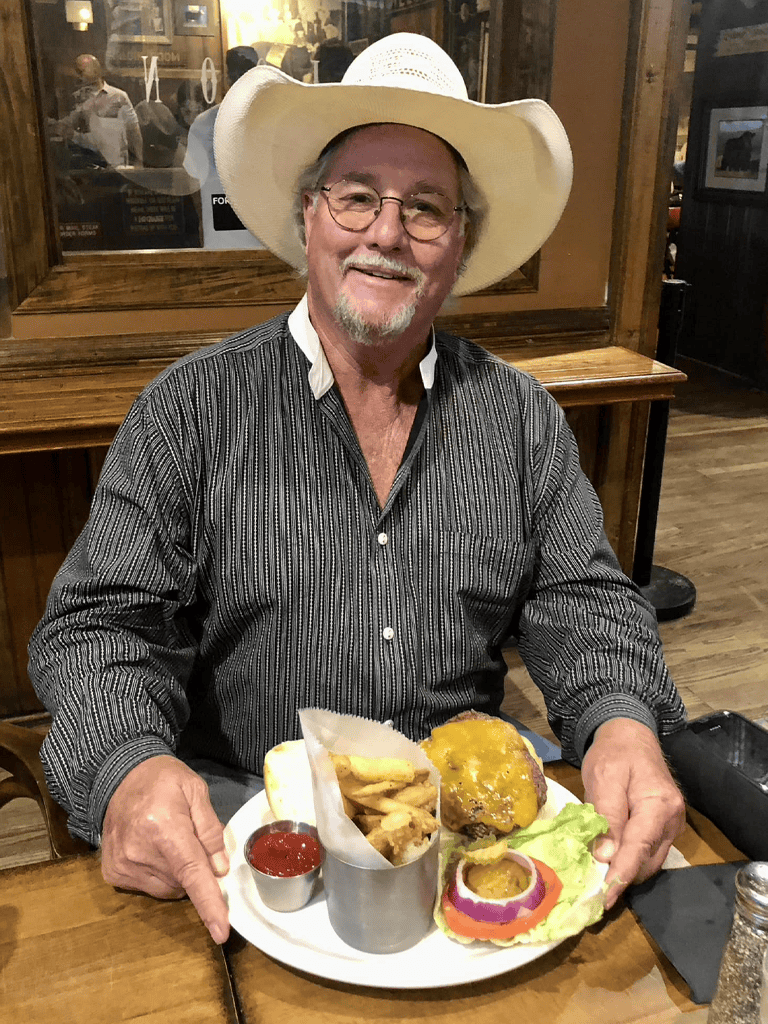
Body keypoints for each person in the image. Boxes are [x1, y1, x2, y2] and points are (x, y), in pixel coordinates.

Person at [29, 33, 687, 947]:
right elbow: (99, 627)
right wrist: (128, 766)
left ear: (460, 246)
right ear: (309, 215)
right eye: (358, 198)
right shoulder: (190, 409)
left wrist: (620, 719)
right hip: (257, 828)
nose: (386, 232)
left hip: (467, 829)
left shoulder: (520, 416)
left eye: (426, 209)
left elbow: (583, 598)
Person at [183, 46, 264, 249]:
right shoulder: (203, 124)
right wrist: (204, 223)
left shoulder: (274, 121)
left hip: (263, 241)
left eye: (245, 72)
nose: (240, 79)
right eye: (236, 73)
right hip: (223, 241)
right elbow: (193, 183)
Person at [58, 54, 143, 168]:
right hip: (91, 164)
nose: (79, 75)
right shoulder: (78, 98)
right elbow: (67, 124)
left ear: (97, 70)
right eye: (77, 71)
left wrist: (139, 161)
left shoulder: (118, 96)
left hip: (118, 166)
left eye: (82, 70)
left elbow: (133, 130)